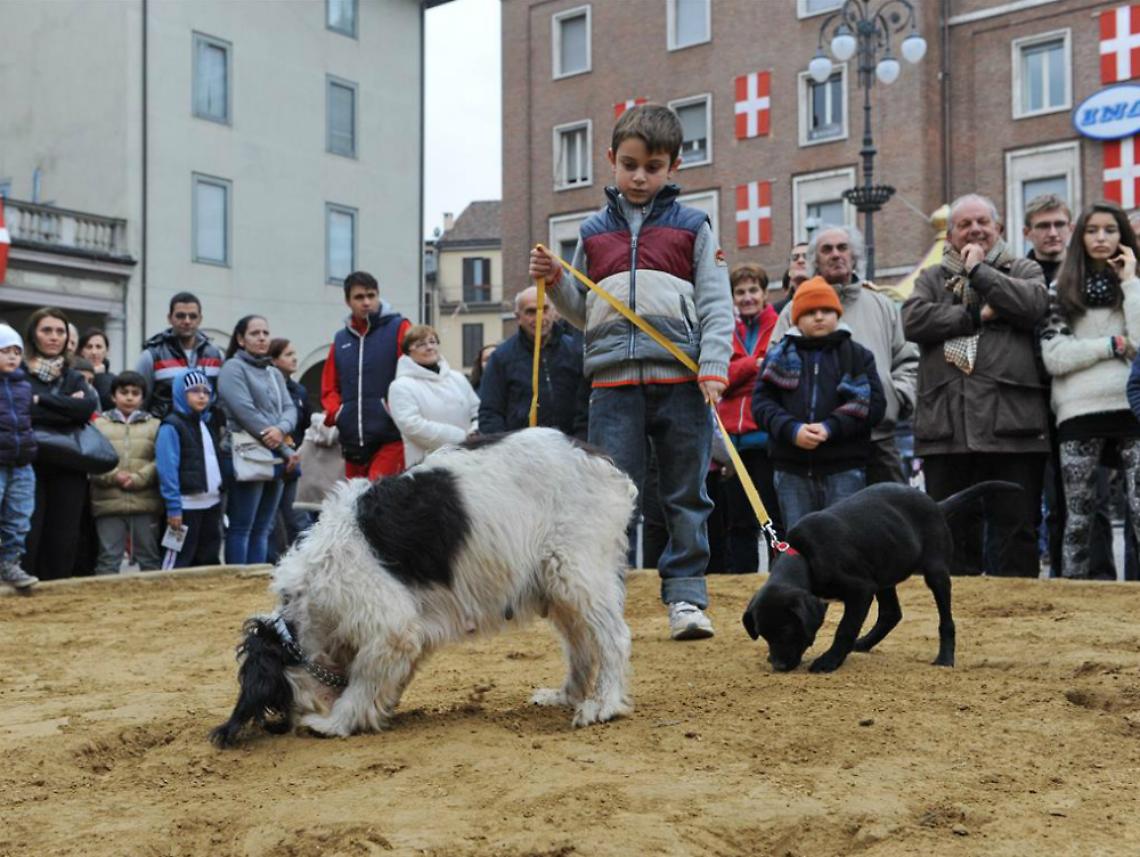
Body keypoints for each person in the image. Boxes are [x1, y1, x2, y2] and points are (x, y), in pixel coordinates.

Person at [528, 103, 734, 640]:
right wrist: (555, 280)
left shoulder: (694, 225)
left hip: (680, 381)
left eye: (653, 166)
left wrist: (713, 366)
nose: (640, 176)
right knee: (610, 498)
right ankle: (605, 600)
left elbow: (717, 303)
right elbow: (581, 309)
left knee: (686, 492)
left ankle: (686, 599)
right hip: (612, 383)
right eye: (630, 164)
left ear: (674, 168)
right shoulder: (593, 232)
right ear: (611, 161)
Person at [902, 194, 1050, 577]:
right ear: (950, 235)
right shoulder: (931, 278)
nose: (975, 230)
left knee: (1016, 530)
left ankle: (1017, 621)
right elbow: (914, 320)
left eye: (982, 222)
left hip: (1013, 427)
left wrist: (980, 273)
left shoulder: (1024, 269)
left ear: (999, 228)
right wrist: (975, 314)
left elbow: (1033, 305)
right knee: (949, 535)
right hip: (946, 429)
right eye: (964, 224)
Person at [1039, 201, 1140, 580]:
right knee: (1078, 517)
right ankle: (1071, 601)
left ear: (1122, 236)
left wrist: (1130, 281)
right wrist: (1114, 345)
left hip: (1132, 408)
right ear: (1080, 236)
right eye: (1092, 230)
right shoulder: (1059, 290)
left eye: (1110, 230)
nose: (1101, 238)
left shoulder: (1134, 286)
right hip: (1078, 412)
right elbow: (1056, 358)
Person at [772, 225, 918, 485]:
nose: (836, 254)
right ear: (816, 260)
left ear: (855, 256)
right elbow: (773, 370)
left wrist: (894, 397)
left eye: (842, 248)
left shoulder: (882, 305)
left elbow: (908, 361)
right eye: (827, 249)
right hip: (818, 447)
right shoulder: (793, 311)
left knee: (888, 522)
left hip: (878, 441)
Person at [1024, 195, 1118, 579]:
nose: (1052, 233)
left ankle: (1099, 581)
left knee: (1091, 499)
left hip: (1085, 401)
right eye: (1043, 226)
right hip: (1032, 401)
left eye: (1060, 224)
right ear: (1027, 231)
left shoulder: (1092, 275)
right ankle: (1058, 584)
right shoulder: (1020, 274)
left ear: (1070, 228)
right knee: (1047, 501)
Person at [752, 277, 886, 528]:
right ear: (796, 318)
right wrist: (792, 429)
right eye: (810, 312)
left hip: (845, 468)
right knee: (799, 544)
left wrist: (830, 427)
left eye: (826, 311)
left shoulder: (857, 355)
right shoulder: (777, 356)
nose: (819, 317)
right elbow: (761, 405)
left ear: (837, 314)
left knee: (844, 543)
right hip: (791, 469)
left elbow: (874, 405)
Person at [22, 307, 100, 580]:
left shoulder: (74, 373)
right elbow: (20, 408)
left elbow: (87, 407)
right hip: (29, 465)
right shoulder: (18, 371)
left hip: (69, 465)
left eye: (60, 331)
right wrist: (67, 407)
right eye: (47, 330)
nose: (54, 337)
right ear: (33, 334)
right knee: (29, 533)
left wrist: (41, 401)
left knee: (63, 537)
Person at [715, 262, 781, 572]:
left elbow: (775, 373)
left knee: (772, 519)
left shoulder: (778, 325)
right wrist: (753, 364)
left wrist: (741, 368)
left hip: (765, 439)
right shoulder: (726, 331)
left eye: (753, 290)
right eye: (740, 292)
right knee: (738, 522)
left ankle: (780, 580)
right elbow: (720, 379)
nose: (747, 297)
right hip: (733, 445)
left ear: (766, 294)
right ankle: (740, 586)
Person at [217, 315, 296, 565]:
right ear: (240, 339)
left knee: (264, 527)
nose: (262, 337)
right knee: (242, 526)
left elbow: (290, 408)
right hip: (246, 453)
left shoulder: (274, 372)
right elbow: (245, 412)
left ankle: (257, 582)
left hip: (275, 456)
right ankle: (238, 582)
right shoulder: (232, 368)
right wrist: (283, 446)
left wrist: (281, 430)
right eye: (255, 333)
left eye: (265, 332)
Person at [320, 271, 412, 480]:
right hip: (352, 439)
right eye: (359, 297)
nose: (367, 302)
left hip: (391, 436)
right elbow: (328, 386)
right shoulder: (341, 338)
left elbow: (413, 373)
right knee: (356, 504)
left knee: (376, 500)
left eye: (371, 295)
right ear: (348, 301)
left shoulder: (400, 327)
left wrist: (394, 409)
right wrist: (338, 413)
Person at [477, 286, 585, 437]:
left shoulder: (575, 352)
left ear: (554, 312)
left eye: (544, 309)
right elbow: (490, 413)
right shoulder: (501, 358)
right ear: (518, 317)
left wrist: (580, 444)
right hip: (521, 453)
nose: (539, 317)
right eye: (531, 312)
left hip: (573, 449)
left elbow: (586, 406)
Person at [90, 371, 162, 573]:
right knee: (108, 559)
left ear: (142, 397)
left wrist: (140, 478)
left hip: (145, 502)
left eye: (135, 393)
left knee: (149, 558)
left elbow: (161, 460)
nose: (129, 397)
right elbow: (91, 460)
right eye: (124, 392)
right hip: (108, 502)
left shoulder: (154, 425)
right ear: (113, 396)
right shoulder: (99, 425)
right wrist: (114, 476)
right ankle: (105, 603)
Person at [156, 369, 223, 568]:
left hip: (211, 505)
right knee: (177, 561)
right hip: (185, 507)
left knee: (208, 561)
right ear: (180, 393)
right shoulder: (171, 426)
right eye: (194, 390)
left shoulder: (206, 423)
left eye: (206, 391)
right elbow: (167, 470)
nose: (202, 395)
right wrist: (174, 507)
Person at [388, 325, 480, 467]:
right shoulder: (401, 386)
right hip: (429, 466)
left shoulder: (457, 378)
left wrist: (475, 430)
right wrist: (460, 438)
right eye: (421, 344)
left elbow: (477, 409)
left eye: (432, 342)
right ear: (408, 351)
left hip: (468, 459)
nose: (429, 347)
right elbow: (412, 426)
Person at [136, 292, 224, 419]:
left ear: (200, 319)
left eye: (193, 316)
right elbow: (139, 401)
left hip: (207, 431)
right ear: (169, 318)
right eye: (180, 316)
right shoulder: (151, 356)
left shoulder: (216, 355)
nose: (187, 321)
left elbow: (222, 400)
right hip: (166, 430)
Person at [267, 337, 314, 561]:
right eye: (287, 354)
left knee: (298, 519)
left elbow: (306, 427)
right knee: (271, 524)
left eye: (294, 353)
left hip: (294, 461)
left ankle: (307, 563)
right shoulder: (267, 388)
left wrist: (300, 454)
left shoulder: (299, 392)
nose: (294, 358)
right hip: (271, 461)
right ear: (274, 360)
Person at [0, 324, 39, 590]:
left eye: (17, 351)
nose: (13, 356)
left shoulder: (25, 385)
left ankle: (10, 564)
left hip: (22, 463)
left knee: (20, 517)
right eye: (5, 351)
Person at [78, 327, 116, 411]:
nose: (94, 352)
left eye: (98, 347)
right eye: (89, 347)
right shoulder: (73, 376)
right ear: (81, 351)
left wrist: (99, 377)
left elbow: (109, 404)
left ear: (106, 351)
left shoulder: (114, 380)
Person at [772, 242, 810, 315]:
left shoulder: (829, 299)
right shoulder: (776, 311)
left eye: (807, 256)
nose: (800, 260)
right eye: (795, 257)